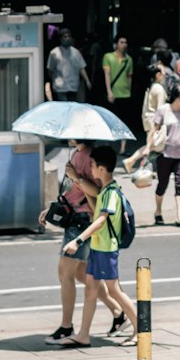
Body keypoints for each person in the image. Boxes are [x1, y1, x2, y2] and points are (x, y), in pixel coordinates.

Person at [39, 140, 127, 344]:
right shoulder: (77, 154)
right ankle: (117, 311)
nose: (68, 136)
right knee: (82, 273)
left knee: (65, 273)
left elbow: (96, 192)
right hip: (74, 216)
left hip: (82, 221)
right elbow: (73, 190)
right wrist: (54, 208)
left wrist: (76, 177)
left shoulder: (88, 157)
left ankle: (66, 327)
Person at [61, 144, 139, 348]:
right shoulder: (105, 190)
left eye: (93, 165)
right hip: (97, 248)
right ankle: (83, 334)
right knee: (91, 291)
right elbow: (96, 211)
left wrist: (78, 240)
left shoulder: (111, 192)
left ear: (102, 169)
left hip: (106, 248)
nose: (91, 169)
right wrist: (82, 187)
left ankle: (142, 329)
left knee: (114, 291)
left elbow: (101, 220)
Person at [154, 82, 180, 226]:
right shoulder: (163, 110)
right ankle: (158, 211)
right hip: (165, 154)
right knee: (162, 184)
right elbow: (155, 130)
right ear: (177, 97)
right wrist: (148, 148)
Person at [123, 63, 167, 175]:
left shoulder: (151, 86)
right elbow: (160, 109)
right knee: (154, 146)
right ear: (158, 75)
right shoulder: (159, 89)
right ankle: (131, 160)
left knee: (153, 145)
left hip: (148, 118)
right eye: (162, 71)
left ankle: (147, 167)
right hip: (155, 121)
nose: (165, 73)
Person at [45, 28, 90, 102]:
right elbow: (50, 70)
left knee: (71, 108)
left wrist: (87, 80)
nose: (67, 38)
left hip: (73, 85)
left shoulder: (76, 52)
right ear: (60, 39)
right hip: (60, 86)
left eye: (69, 36)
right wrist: (53, 80)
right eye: (65, 37)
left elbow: (81, 67)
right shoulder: (54, 53)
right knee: (63, 107)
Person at [102, 35, 134, 126]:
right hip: (114, 91)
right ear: (116, 44)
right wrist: (109, 91)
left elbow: (129, 77)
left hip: (125, 93)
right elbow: (107, 74)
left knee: (124, 119)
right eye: (121, 42)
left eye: (125, 42)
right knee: (112, 117)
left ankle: (123, 140)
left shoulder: (129, 59)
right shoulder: (108, 57)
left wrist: (130, 91)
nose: (124, 45)